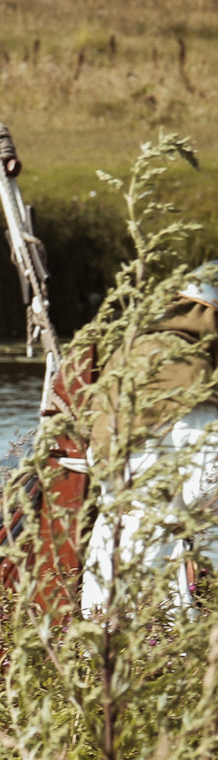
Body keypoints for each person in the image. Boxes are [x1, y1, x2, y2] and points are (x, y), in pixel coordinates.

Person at [81, 262, 218, 616]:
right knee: (161, 646)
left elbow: (96, 455)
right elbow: (203, 486)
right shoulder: (193, 374)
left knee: (101, 644)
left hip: (107, 543)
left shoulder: (127, 357)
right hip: (158, 553)